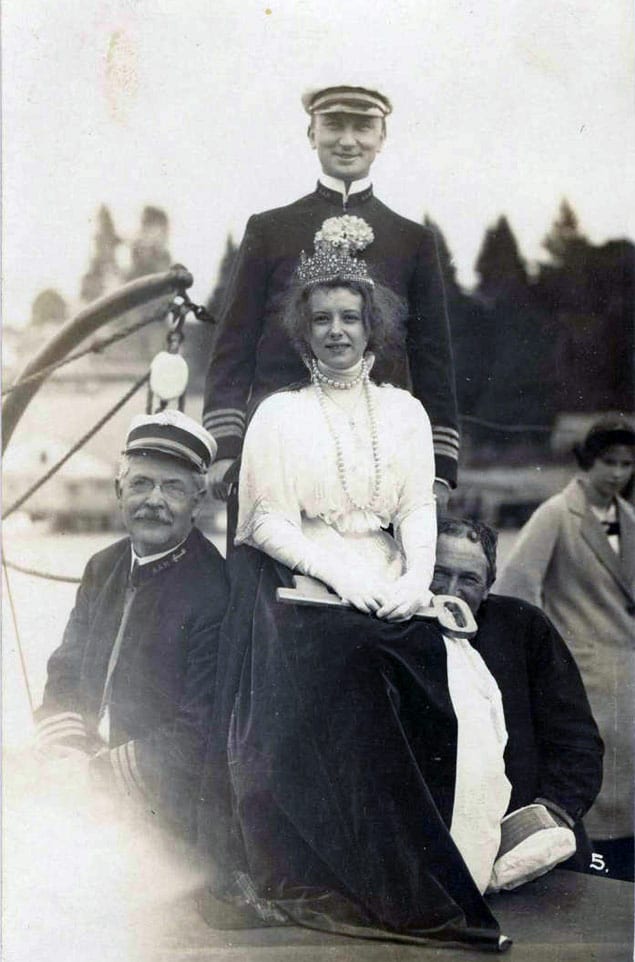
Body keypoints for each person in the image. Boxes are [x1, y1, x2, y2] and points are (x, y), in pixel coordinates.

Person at [197, 230, 513, 952]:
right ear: (303, 331)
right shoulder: (280, 413)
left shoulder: (404, 411)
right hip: (308, 579)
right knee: (348, 686)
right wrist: (343, 580)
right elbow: (266, 523)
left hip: (391, 575)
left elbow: (414, 510)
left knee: (460, 696)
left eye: (349, 317)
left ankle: (446, 875)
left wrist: (410, 580)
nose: (336, 331)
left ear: (371, 326)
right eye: (321, 319)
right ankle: (358, 884)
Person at [203, 83, 459, 515]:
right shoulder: (269, 230)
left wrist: (440, 466)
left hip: (380, 455)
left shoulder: (412, 240)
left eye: (363, 127)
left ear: (382, 138)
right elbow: (233, 345)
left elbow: (434, 360)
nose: (347, 140)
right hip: (278, 449)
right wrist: (226, 446)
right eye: (333, 125)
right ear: (310, 134)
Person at [35, 411, 229, 842]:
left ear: (197, 502)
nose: (154, 500)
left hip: (161, 806)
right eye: (141, 484)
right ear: (119, 491)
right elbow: (64, 669)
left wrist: (97, 776)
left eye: (173, 488)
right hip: (81, 773)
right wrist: (65, 753)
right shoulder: (102, 567)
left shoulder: (213, 588)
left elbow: (199, 730)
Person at [496, 416, 635, 881]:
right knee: (593, 778)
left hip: (629, 678)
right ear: (587, 462)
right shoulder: (557, 513)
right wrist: (555, 653)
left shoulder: (631, 519)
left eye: (627, 464)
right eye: (608, 462)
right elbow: (515, 587)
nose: (617, 473)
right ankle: (589, 869)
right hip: (586, 677)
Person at [432, 517, 604, 888]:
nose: (451, 590)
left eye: (469, 579)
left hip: (531, 849)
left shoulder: (524, 628)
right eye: (438, 573)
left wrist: (545, 822)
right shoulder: (393, 635)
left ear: (489, 586)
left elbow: (577, 744)